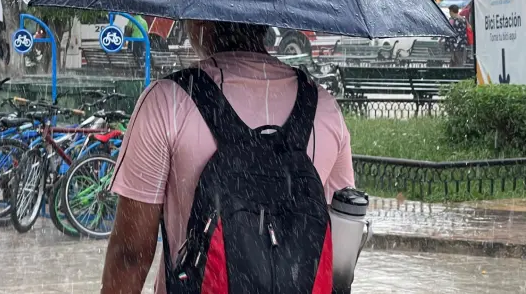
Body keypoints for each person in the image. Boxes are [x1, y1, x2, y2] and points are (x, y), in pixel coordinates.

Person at [101, 20, 355, 294]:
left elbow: (130, 254)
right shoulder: (324, 109)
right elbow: (342, 250)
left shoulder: (167, 103)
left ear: (201, 21)